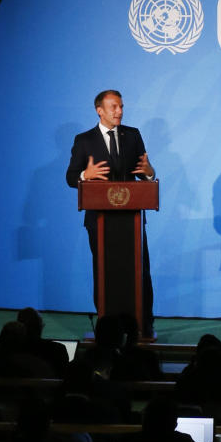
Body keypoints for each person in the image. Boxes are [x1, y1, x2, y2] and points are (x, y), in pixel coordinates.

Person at [65, 89, 155, 336]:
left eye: (122, 106)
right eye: (114, 107)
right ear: (99, 110)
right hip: (100, 220)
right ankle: (107, 327)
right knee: (104, 271)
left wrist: (149, 171)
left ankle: (143, 324)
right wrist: (86, 175)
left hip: (132, 221)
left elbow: (144, 172)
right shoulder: (84, 140)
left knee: (140, 270)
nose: (120, 111)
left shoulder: (132, 135)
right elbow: (71, 177)